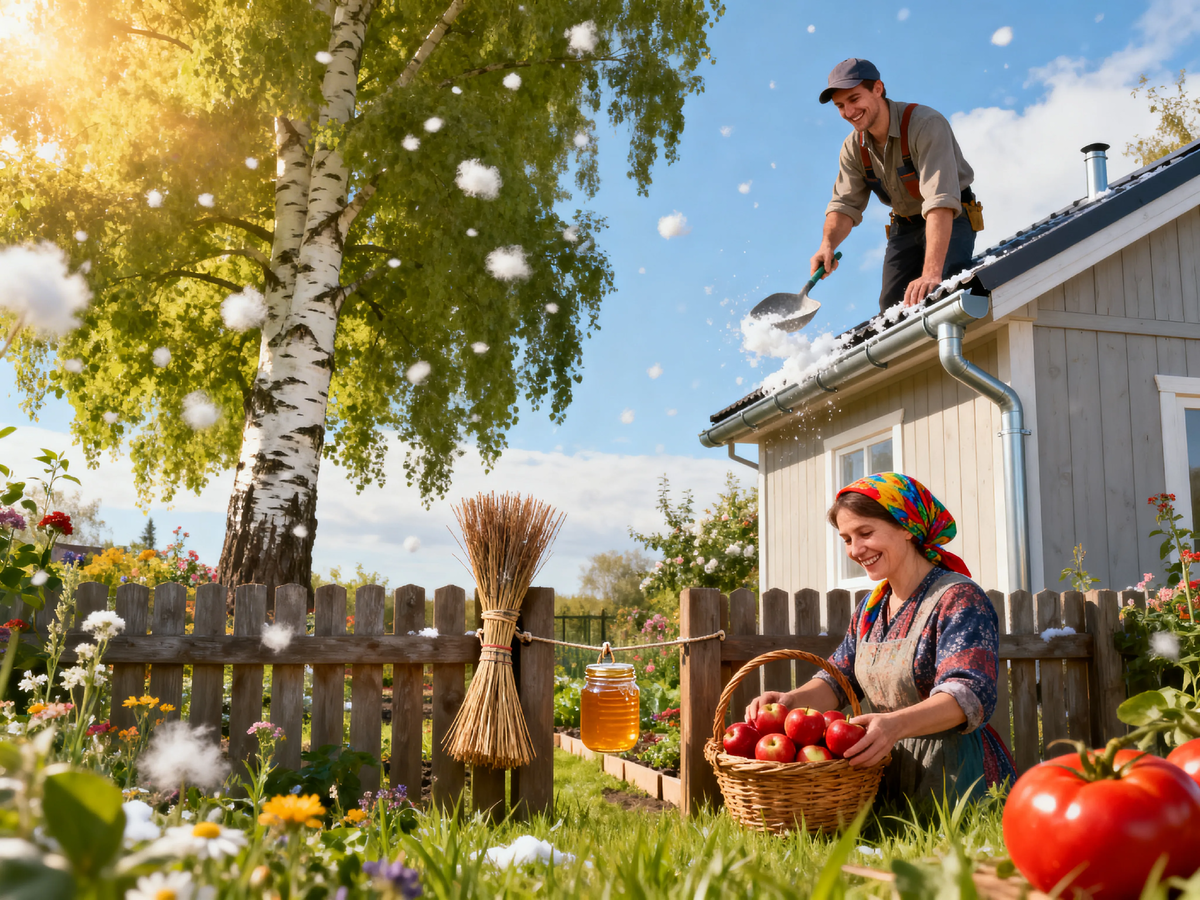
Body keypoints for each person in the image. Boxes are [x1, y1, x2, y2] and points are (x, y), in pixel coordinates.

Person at [745, 473, 1016, 804]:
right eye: (846, 539)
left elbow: (969, 695)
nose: (856, 550)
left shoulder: (958, 598)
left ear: (906, 526)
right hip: (885, 772)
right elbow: (838, 680)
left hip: (957, 777)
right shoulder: (871, 609)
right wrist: (789, 703)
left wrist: (894, 726)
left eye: (865, 533)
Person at [810, 59, 983, 313]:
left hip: (951, 216)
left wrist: (931, 274)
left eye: (855, 99)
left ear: (878, 89)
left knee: (942, 292)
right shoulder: (852, 148)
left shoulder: (925, 125)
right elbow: (845, 205)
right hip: (904, 226)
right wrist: (827, 246)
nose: (848, 111)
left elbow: (941, 201)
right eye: (840, 106)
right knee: (891, 310)